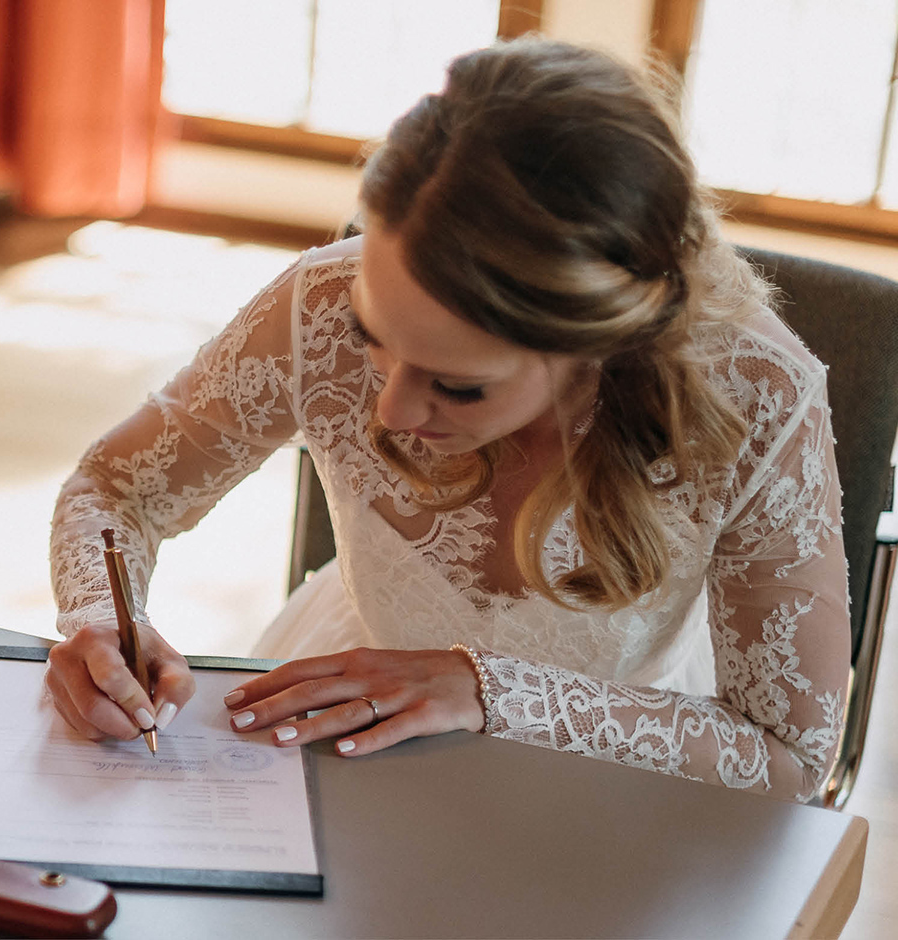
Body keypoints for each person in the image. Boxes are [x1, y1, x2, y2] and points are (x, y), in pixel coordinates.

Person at [45, 37, 849, 802]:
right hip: (348, 724)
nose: (391, 410)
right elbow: (115, 491)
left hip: (618, 770)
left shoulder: (757, 398)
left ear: (594, 348)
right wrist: (99, 621)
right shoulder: (316, 304)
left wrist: (487, 688)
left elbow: (790, 754)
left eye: (459, 387)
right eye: (373, 338)